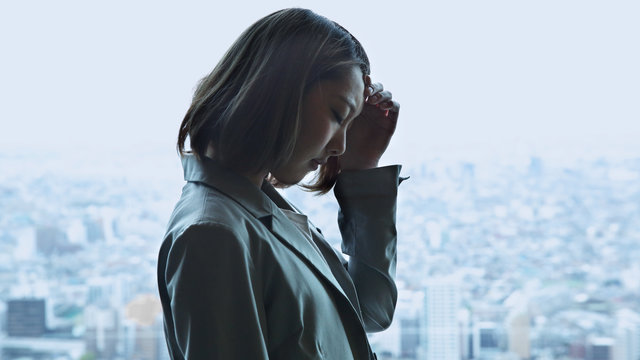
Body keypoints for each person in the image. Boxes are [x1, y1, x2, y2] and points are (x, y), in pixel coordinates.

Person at [157, 8, 403, 360]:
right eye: (336, 115)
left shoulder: (258, 211)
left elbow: (369, 310)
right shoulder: (213, 233)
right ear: (279, 89)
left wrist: (363, 170)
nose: (340, 147)